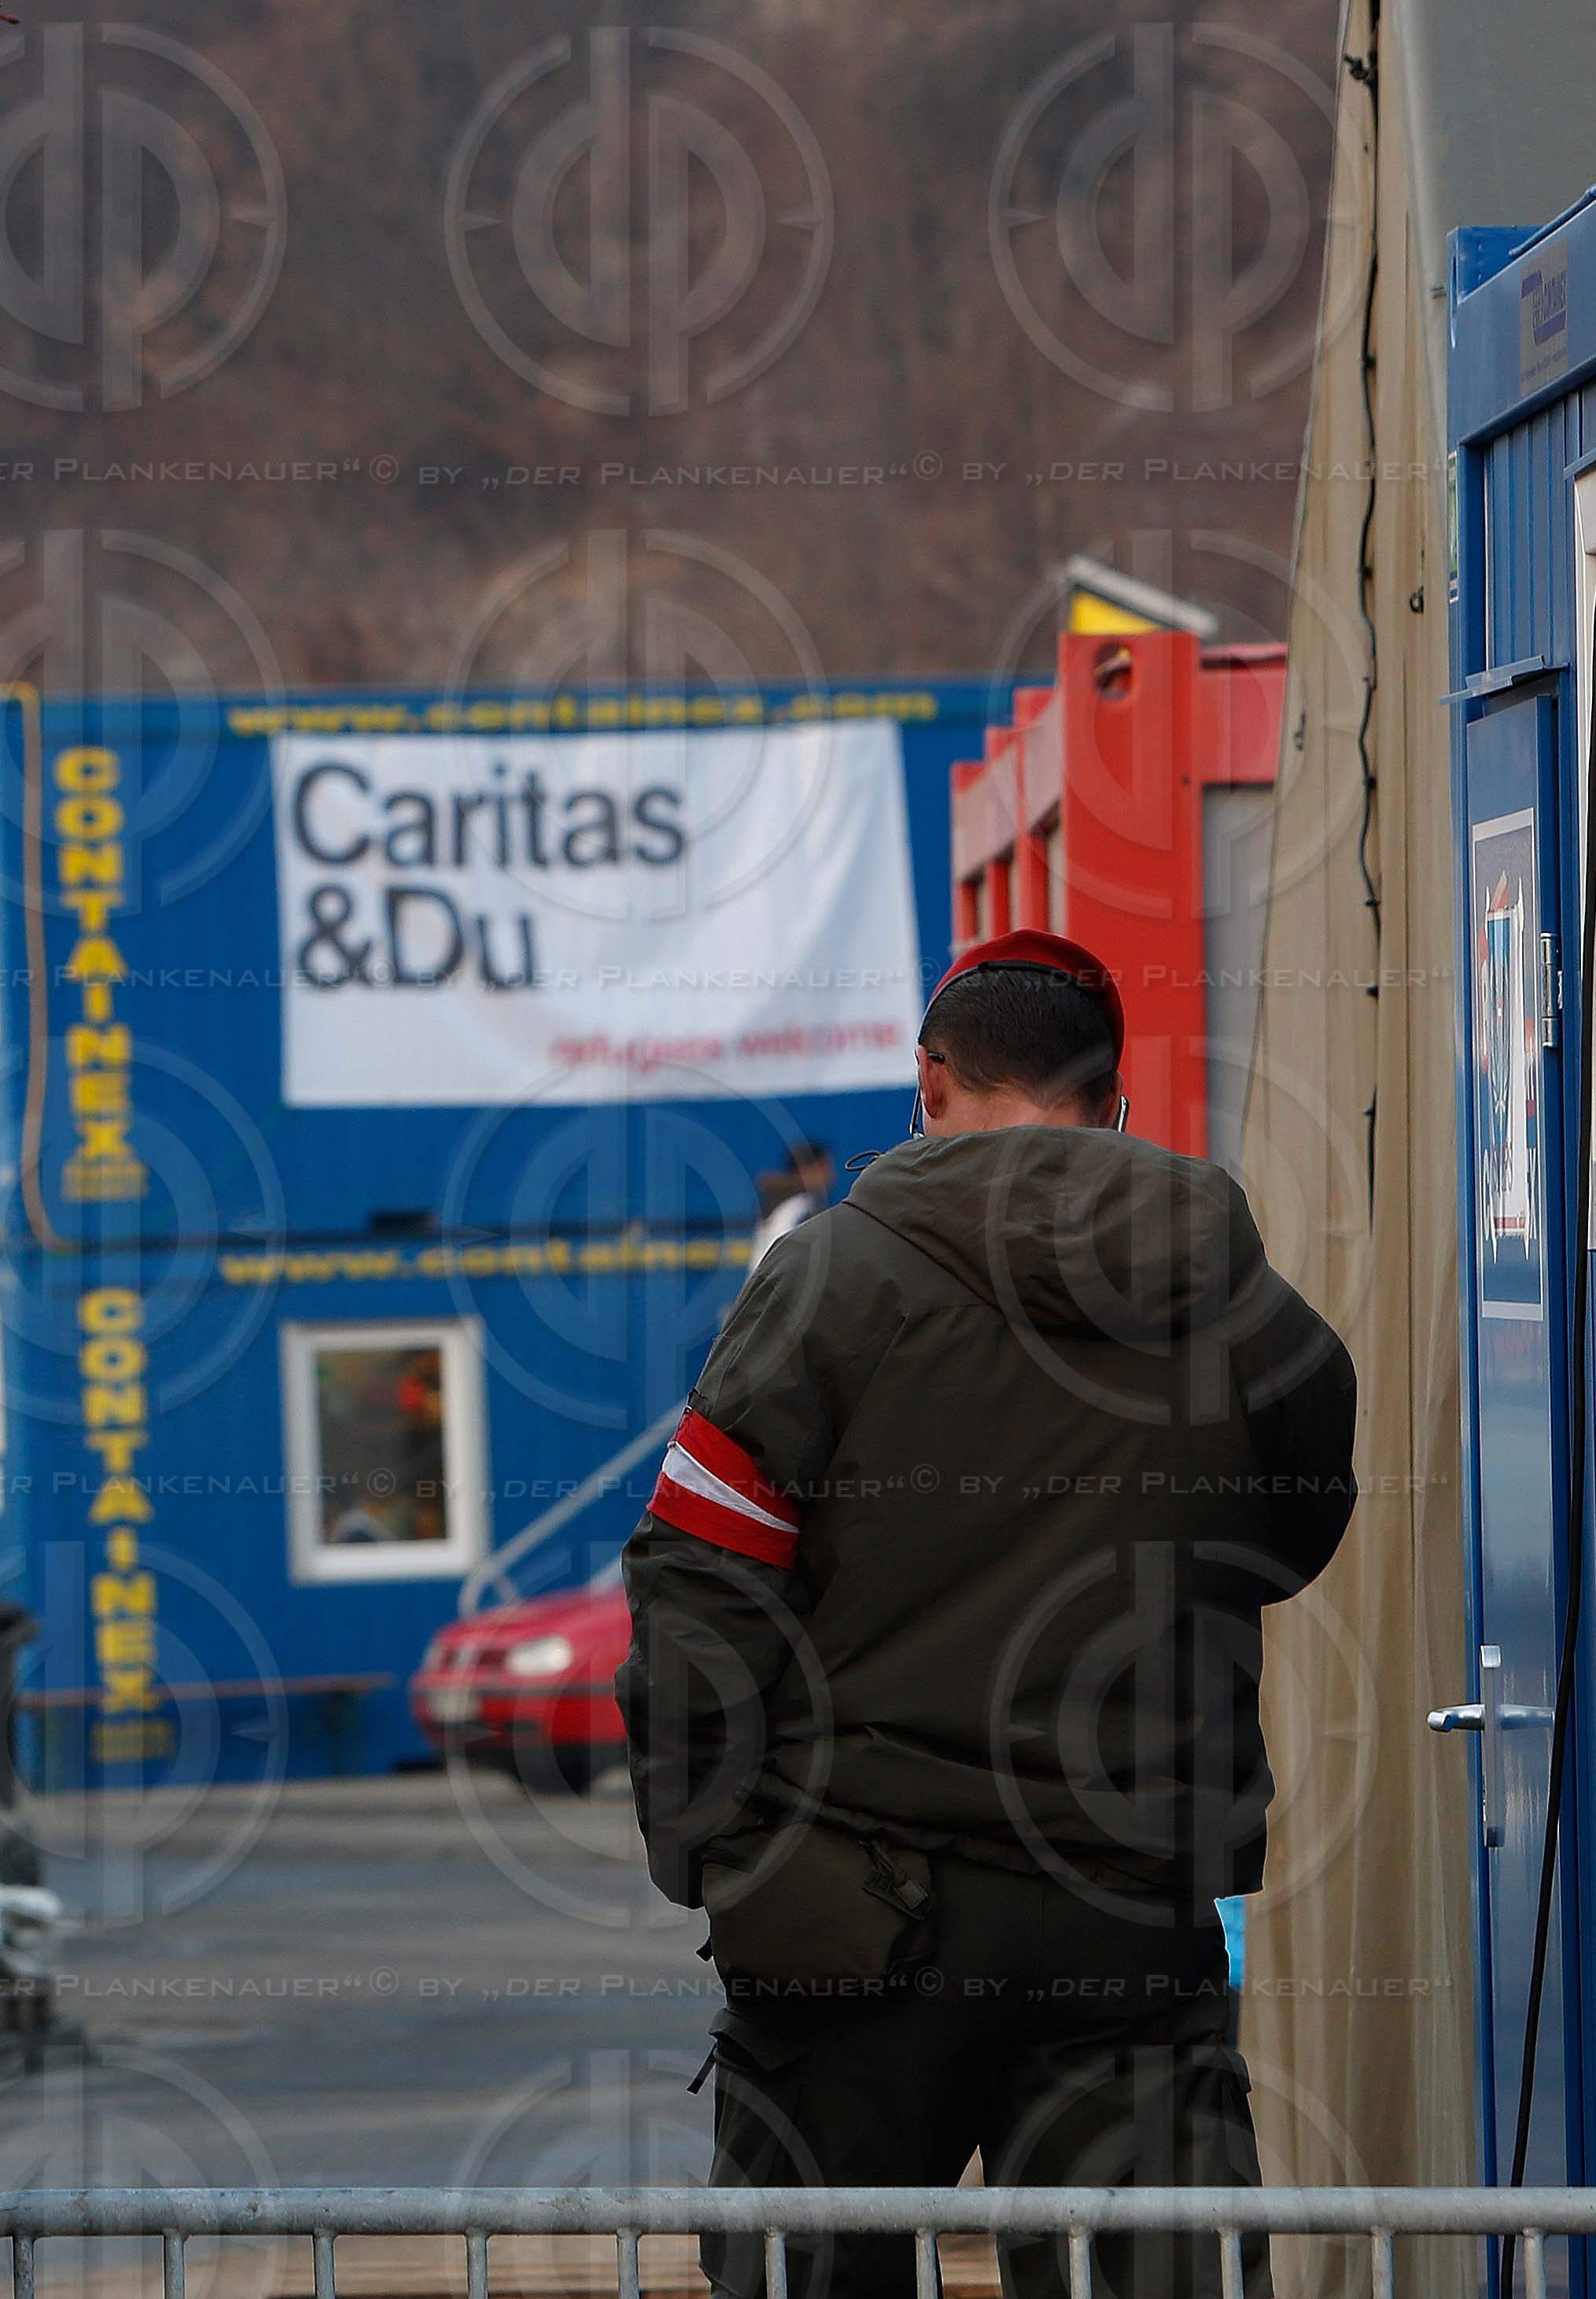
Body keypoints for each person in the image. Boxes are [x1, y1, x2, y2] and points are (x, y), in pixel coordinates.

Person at [615, 931, 1357, 2299]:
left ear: (931, 1081)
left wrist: (717, 1849)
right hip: (1126, 1904)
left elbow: (697, 1577)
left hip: (849, 1913)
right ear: (1113, 1098)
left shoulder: (829, 1279)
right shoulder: (1233, 1291)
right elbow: (1294, 1531)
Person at [749, 1137, 835, 1266]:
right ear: (804, 1170)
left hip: (765, 1282)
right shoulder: (802, 1207)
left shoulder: (780, 1202)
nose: (831, 1174)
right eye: (824, 1166)